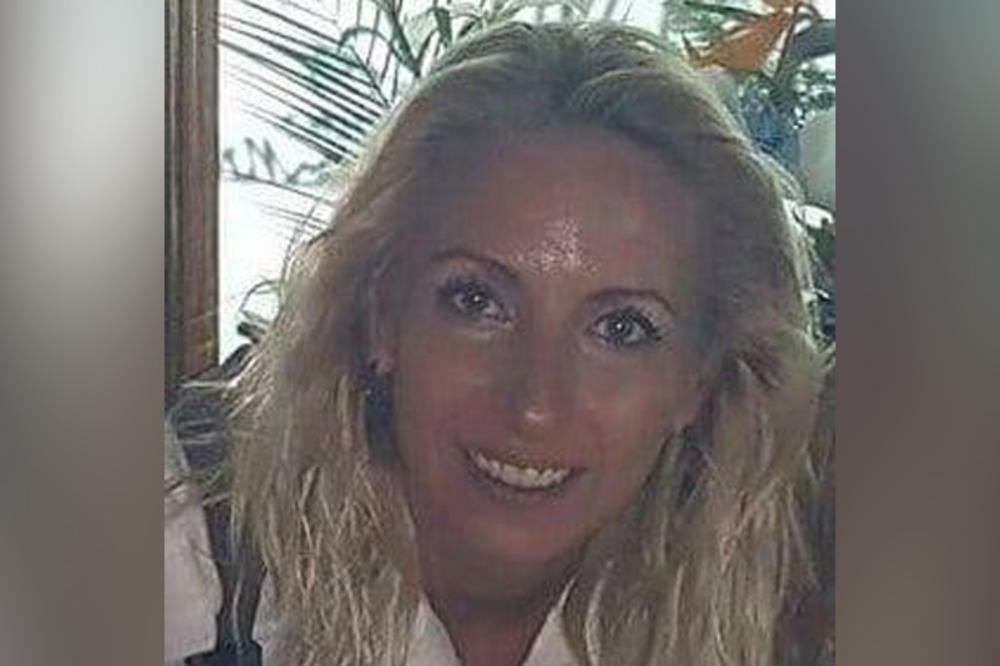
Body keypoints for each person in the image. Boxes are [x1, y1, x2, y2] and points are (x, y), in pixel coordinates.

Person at [185, 20, 828, 666]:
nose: (535, 406)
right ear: (381, 314)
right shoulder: (194, 539)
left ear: (698, 378)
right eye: (476, 302)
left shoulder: (783, 609)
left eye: (621, 329)